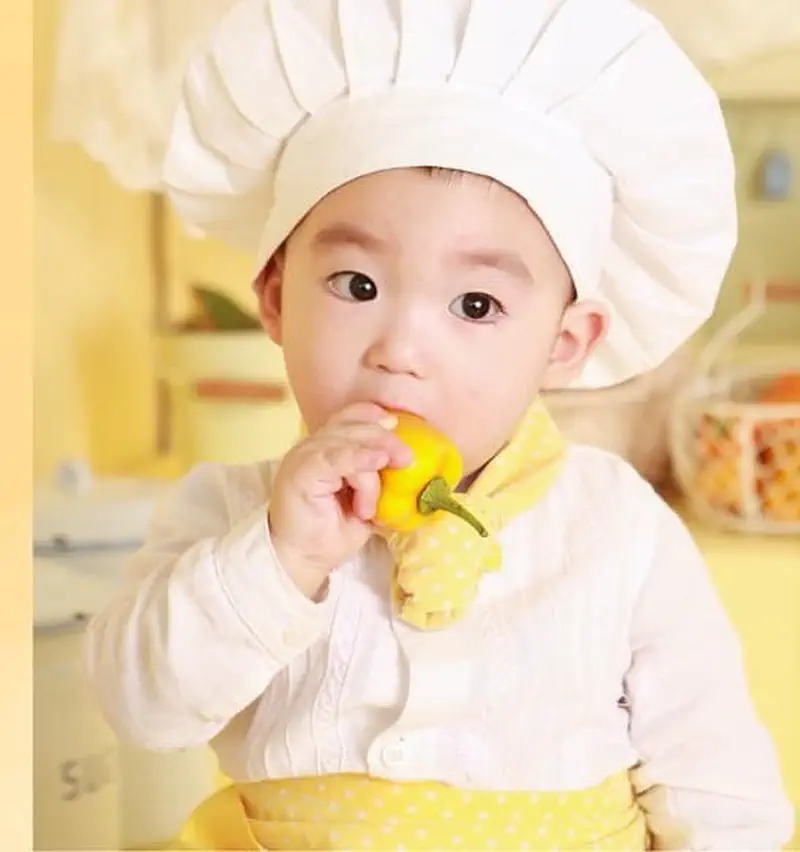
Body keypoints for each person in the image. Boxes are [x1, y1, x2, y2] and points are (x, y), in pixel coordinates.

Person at [84, 0, 795, 848]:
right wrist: (281, 558)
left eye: (476, 303)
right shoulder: (230, 514)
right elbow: (143, 709)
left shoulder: (622, 529)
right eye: (355, 285)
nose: (401, 349)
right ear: (275, 298)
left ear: (565, 344)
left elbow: (720, 788)